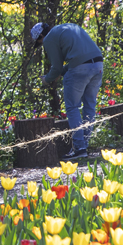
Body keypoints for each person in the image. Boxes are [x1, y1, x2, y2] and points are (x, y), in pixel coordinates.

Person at [32, 21, 103, 161]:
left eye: (39, 41)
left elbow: (57, 67)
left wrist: (47, 79)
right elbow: (74, 62)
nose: (42, 44)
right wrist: (62, 72)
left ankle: (79, 148)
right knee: (89, 106)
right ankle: (85, 144)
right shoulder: (68, 27)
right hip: (98, 64)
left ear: (41, 35)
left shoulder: (49, 38)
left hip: (79, 69)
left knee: (72, 107)